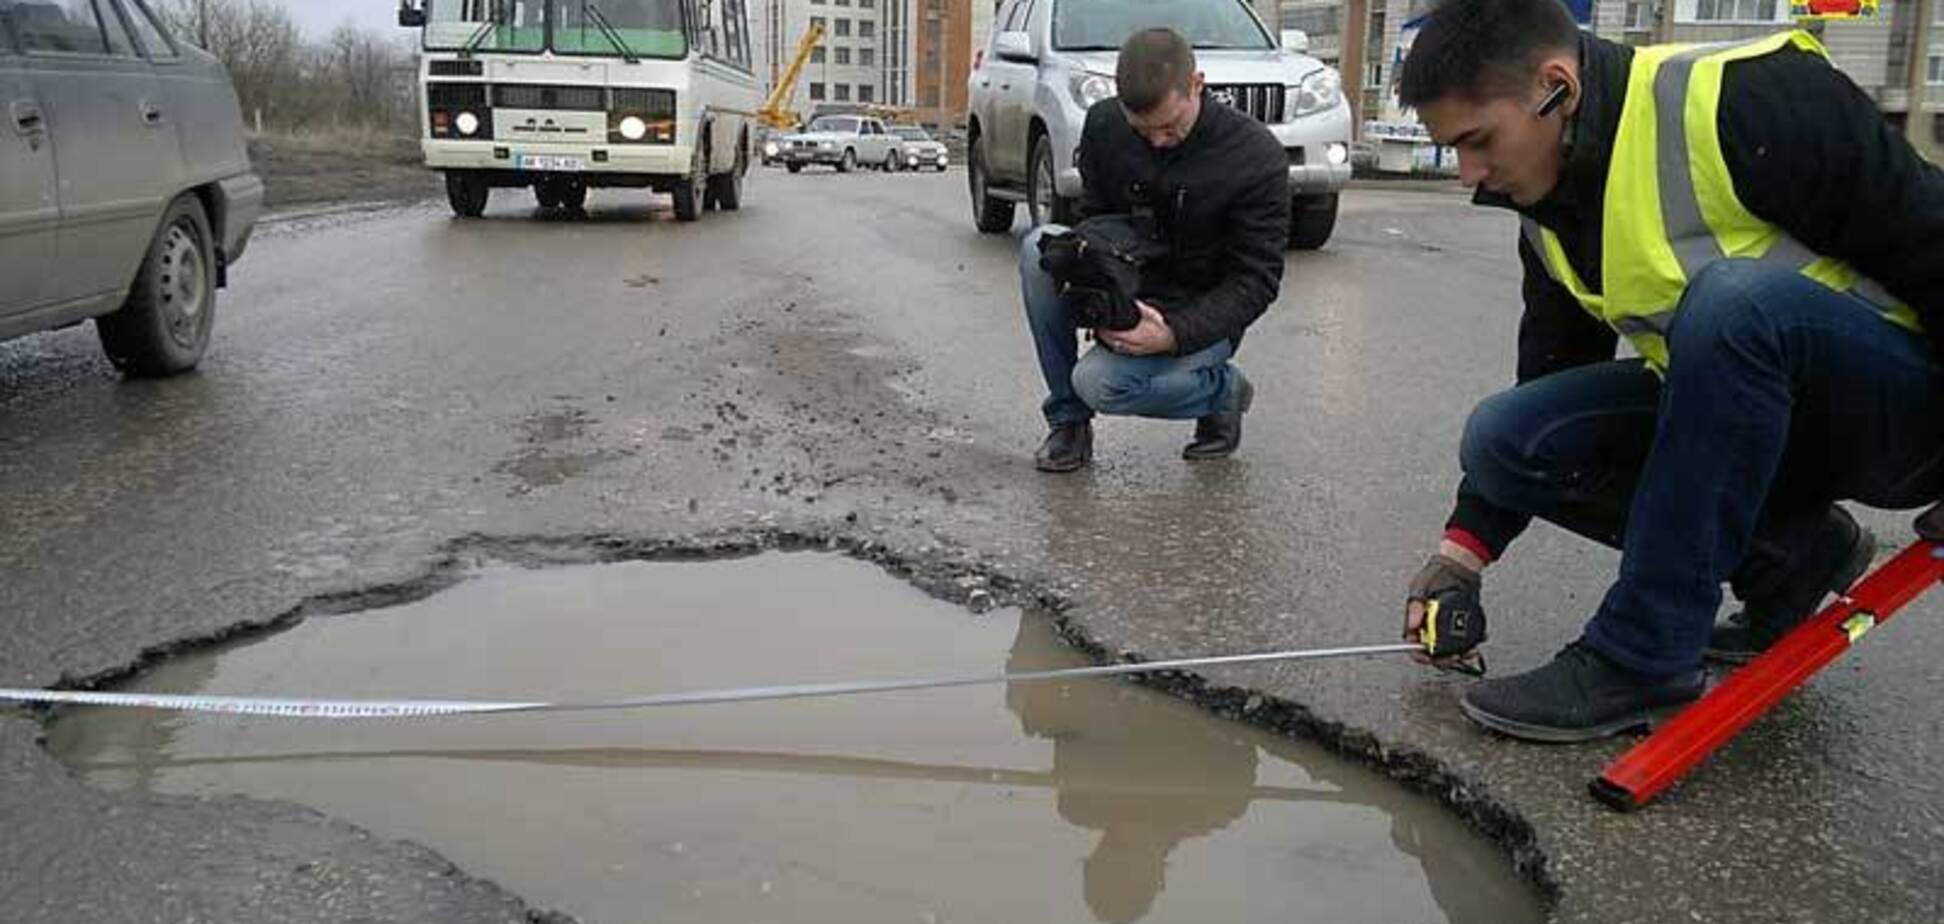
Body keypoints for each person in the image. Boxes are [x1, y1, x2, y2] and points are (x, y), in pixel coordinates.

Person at [1394, 0, 1944, 741]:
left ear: (1557, 86)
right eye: (1449, 151)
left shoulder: (1746, 100)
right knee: (1508, 437)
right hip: (1761, 433)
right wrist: (1464, 549)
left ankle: (1645, 656)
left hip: (1902, 415)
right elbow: (1552, 379)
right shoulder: (1545, 203)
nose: (1468, 175)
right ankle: (1793, 554)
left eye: (1478, 141)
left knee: (1737, 302)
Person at [1022, 27, 1290, 472]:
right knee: (1038, 250)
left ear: (1197, 86)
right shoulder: (1106, 126)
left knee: (1100, 384)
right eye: (1142, 130)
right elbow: (1097, 220)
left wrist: (1174, 333)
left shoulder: (1255, 157)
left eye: (1169, 127)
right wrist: (1098, 285)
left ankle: (1223, 392)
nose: (1157, 141)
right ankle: (1068, 422)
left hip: (1200, 309)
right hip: (1130, 285)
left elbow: (1255, 281)